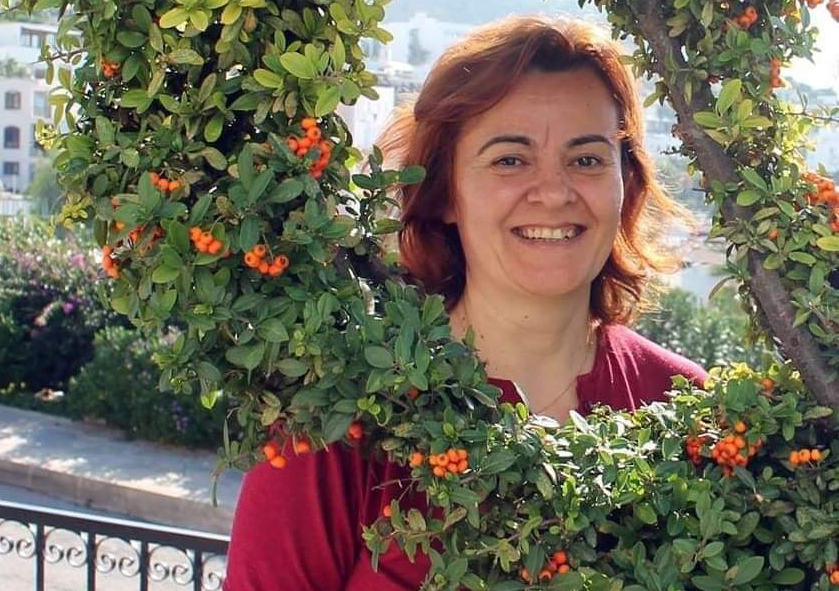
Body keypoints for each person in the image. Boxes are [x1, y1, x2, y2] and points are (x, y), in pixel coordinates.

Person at [224, 15, 706, 591]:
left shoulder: (686, 409)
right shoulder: (333, 426)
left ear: (625, 183)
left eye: (587, 160)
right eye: (509, 159)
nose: (554, 193)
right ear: (445, 192)